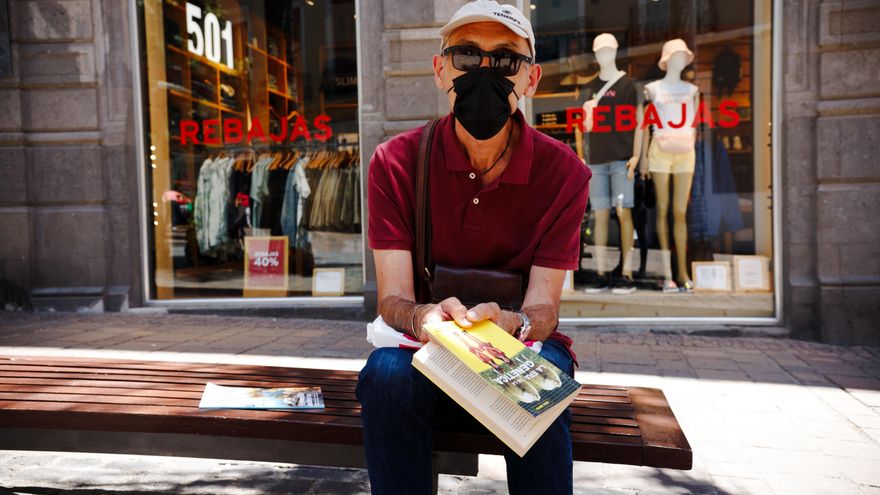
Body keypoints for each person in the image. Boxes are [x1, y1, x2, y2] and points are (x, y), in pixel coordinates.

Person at [356, 1, 591, 493]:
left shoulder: (564, 172)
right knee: (387, 375)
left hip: (517, 346)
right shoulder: (396, 162)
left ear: (531, 79)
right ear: (441, 69)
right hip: (428, 350)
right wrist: (424, 317)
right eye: (467, 55)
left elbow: (543, 308)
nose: (486, 71)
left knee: (544, 369)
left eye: (506, 60)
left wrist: (512, 324)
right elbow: (392, 297)